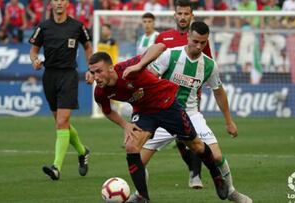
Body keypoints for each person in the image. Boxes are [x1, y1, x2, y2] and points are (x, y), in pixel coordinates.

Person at [127, 21, 252, 203]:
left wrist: (228, 121)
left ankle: (231, 191)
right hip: (163, 112)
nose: (199, 46)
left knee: (216, 155)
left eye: (203, 43)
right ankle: (140, 195)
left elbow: (219, 92)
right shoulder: (170, 55)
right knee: (137, 158)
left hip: (191, 114)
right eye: (195, 41)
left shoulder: (209, 65)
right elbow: (148, 79)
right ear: (188, 37)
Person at [89, 43, 229, 203]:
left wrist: (140, 65)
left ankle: (216, 176)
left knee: (197, 145)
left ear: (111, 68)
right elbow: (107, 111)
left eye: (99, 71)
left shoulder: (127, 68)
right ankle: (143, 196)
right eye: (93, 73)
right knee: (131, 146)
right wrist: (125, 125)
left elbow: (160, 46)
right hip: (144, 113)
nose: (96, 77)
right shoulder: (100, 92)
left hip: (167, 104)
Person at [28, 0, 93, 181]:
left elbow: (88, 46)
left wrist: (91, 69)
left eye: (62, 0)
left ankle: (56, 167)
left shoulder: (77, 26)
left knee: (62, 121)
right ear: (51, 4)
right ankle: (82, 151)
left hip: (68, 76)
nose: (58, 3)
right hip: (49, 76)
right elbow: (33, 50)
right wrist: (34, 61)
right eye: (55, 0)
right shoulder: (43, 27)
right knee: (60, 123)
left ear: (67, 4)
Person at [154, 0, 212, 189]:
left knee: (191, 135)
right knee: (180, 140)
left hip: (190, 98)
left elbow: (207, 64)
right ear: (174, 15)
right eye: (180, 13)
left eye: (186, 14)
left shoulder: (201, 39)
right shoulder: (163, 37)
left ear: (191, 16)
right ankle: (193, 169)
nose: (183, 17)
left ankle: (196, 175)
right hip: (166, 99)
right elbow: (154, 65)